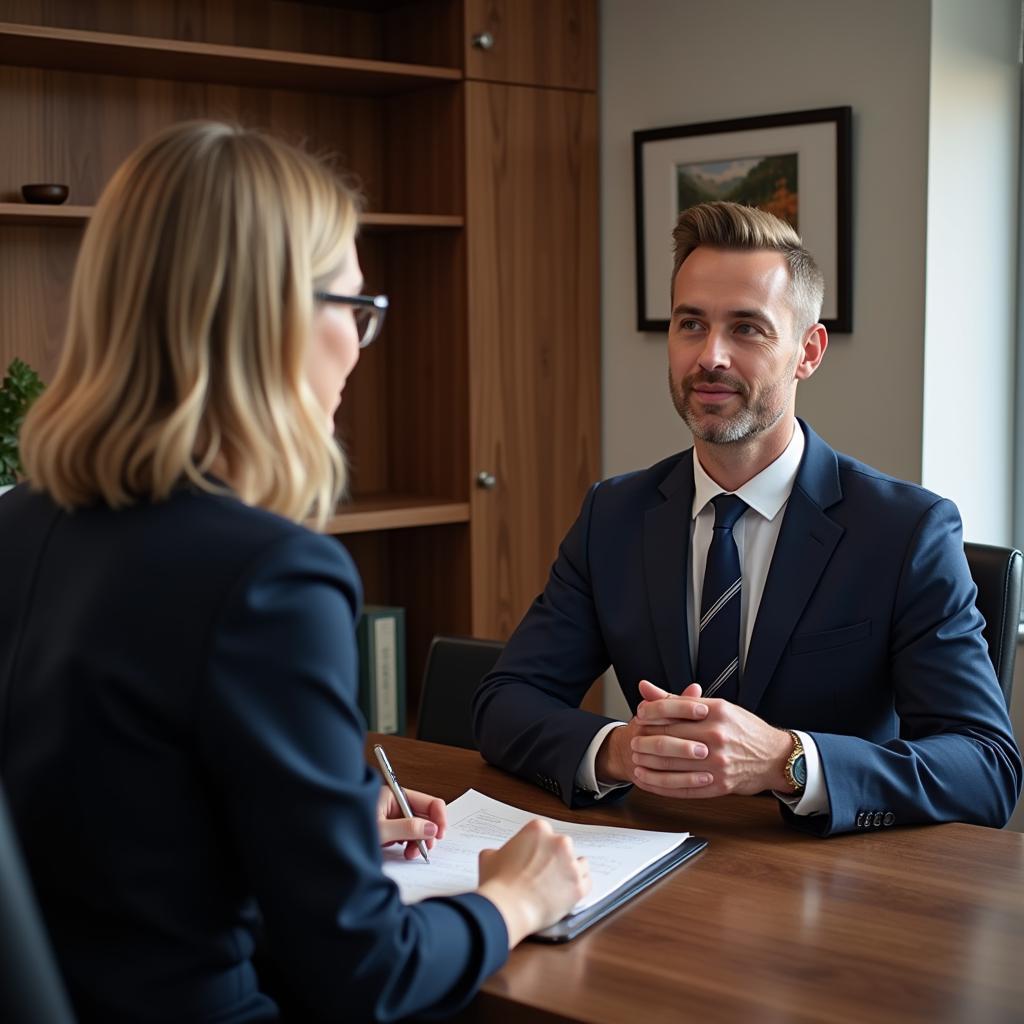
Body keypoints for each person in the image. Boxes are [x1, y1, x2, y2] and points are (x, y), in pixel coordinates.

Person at [0, 121, 589, 1023]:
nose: (358, 345)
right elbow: (364, 977)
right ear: (267, 316)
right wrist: (516, 898)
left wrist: (321, 827)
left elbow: (109, 815)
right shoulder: (268, 576)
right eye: (352, 308)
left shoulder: (18, 522)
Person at [473, 200, 1022, 836]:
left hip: (835, 890)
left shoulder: (906, 532)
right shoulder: (614, 516)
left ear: (808, 351)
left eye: (747, 329)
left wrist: (787, 761)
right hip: (654, 868)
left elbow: (986, 768)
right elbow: (503, 703)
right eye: (690, 324)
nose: (711, 357)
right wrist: (619, 750)